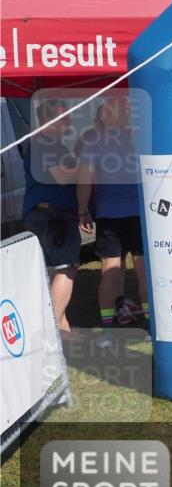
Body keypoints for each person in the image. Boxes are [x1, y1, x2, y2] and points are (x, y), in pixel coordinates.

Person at [76, 93, 148, 335]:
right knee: (143, 268)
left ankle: (107, 325)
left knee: (110, 269)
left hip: (109, 213)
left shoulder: (93, 141)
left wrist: (82, 210)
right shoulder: (139, 137)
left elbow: (84, 179)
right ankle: (150, 321)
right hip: (139, 213)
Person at [21, 99, 82, 338]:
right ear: (48, 121)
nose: (69, 120)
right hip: (52, 216)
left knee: (54, 271)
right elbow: (63, 178)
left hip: (43, 215)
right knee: (67, 269)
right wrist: (87, 162)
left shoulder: (47, 144)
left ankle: (62, 329)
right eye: (63, 116)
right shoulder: (45, 143)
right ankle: (50, 334)